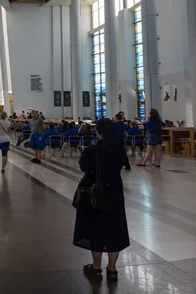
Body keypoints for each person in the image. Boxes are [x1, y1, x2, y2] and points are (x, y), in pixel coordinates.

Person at [73, 118, 130, 282]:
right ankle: (112, 269)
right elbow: (123, 165)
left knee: (96, 230)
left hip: (96, 195)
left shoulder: (91, 151)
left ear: (98, 133)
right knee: (115, 229)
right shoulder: (120, 149)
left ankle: (96, 267)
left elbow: (83, 167)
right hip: (115, 194)